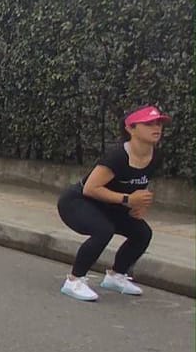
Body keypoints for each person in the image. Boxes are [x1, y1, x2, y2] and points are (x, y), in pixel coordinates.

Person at [56, 105, 169, 301]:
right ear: (131, 129)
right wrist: (127, 200)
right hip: (77, 202)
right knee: (103, 230)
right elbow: (90, 188)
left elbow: (140, 183)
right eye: (149, 124)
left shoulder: (155, 155)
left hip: (110, 205)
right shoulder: (117, 156)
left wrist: (139, 205)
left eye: (159, 123)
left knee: (142, 233)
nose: (156, 127)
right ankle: (74, 281)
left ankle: (116, 276)